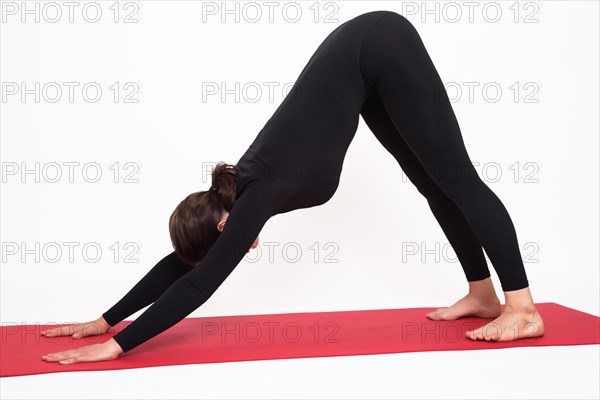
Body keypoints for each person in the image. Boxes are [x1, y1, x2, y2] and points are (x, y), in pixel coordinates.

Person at [41, 10, 544, 364]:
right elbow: (185, 264)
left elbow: (201, 280)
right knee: (434, 187)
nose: (235, 249)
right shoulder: (236, 193)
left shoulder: (256, 193)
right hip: (362, 62)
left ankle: (521, 307)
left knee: (457, 179)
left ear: (223, 223)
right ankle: (482, 293)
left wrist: (119, 346)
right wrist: (108, 318)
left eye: (226, 243)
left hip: (380, 43)